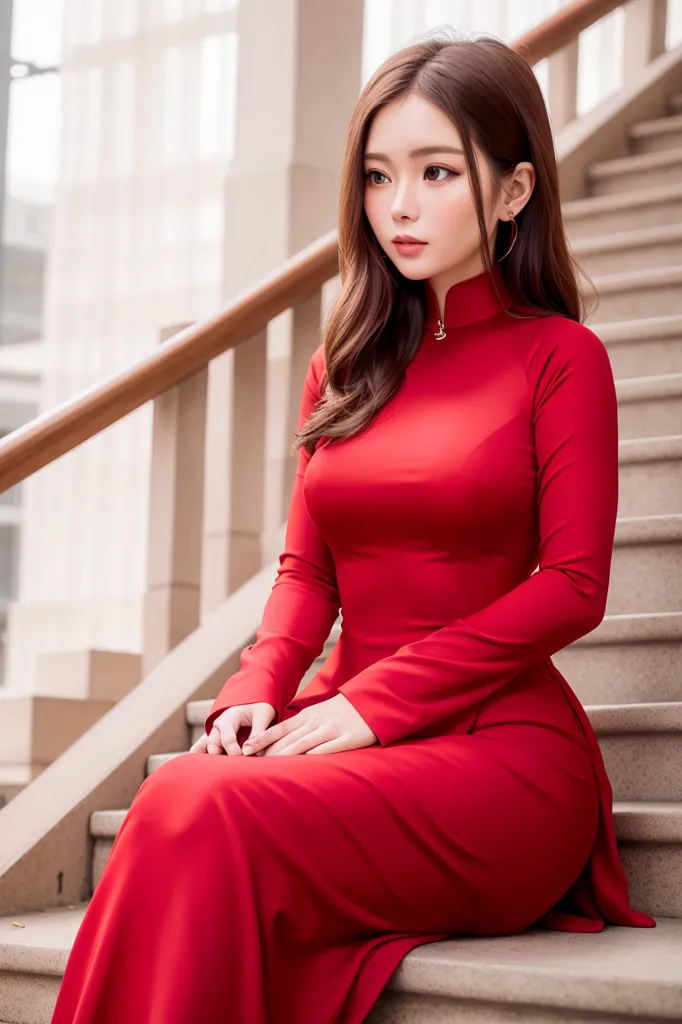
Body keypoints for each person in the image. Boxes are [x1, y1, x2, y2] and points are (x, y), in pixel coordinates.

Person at [51, 33, 656, 1024]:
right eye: (377, 176)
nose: (398, 206)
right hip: (343, 730)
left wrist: (377, 700)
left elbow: (572, 588)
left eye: (434, 172)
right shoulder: (349, 361)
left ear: (512, 192)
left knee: (196, 810)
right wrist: (255, 685)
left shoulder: (562, 359)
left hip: (500, 759)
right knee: (181, 793)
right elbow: (305, 572)